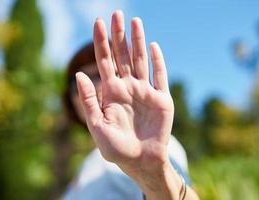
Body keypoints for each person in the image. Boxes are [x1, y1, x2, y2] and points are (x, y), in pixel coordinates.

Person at [63, 10, 199, 200]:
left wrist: (153, 172)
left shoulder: (153, 144)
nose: (90, 87)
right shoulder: (86, 168)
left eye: (100, 75)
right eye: (77, 81)